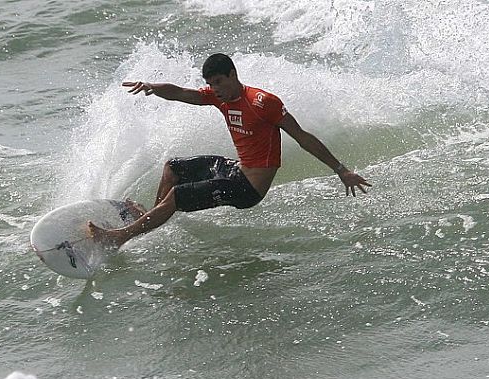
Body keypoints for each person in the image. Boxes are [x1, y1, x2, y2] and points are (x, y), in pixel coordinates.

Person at [88, 53, 371, 247]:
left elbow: (302, 137)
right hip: (236, 169)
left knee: (177, 196)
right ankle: (150, 218)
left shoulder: (262, 102)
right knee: (173, 168)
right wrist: (152, 87)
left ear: (233, 74)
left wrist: (341, 170)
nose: (216, 89)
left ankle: (119, 237)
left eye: (220, 82)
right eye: (211, 84)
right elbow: (182, 93)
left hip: (248, 188)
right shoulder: (219, 98)